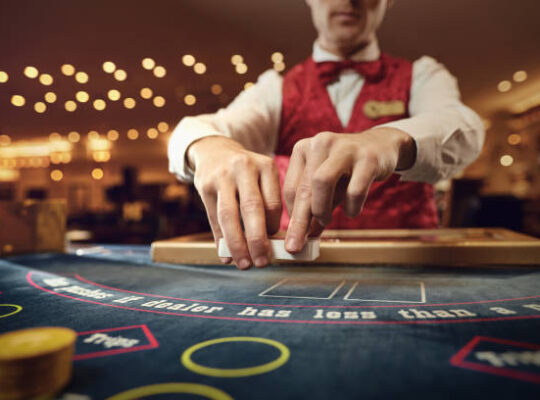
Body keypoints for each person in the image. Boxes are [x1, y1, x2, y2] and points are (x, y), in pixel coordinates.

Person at [168, 0, 485, 270]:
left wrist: (388, 139)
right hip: (298, 269)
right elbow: (195, 129)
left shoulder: (422, 75)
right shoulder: (275, 89)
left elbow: (462, 126)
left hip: (407, 268)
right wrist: (208, 147)